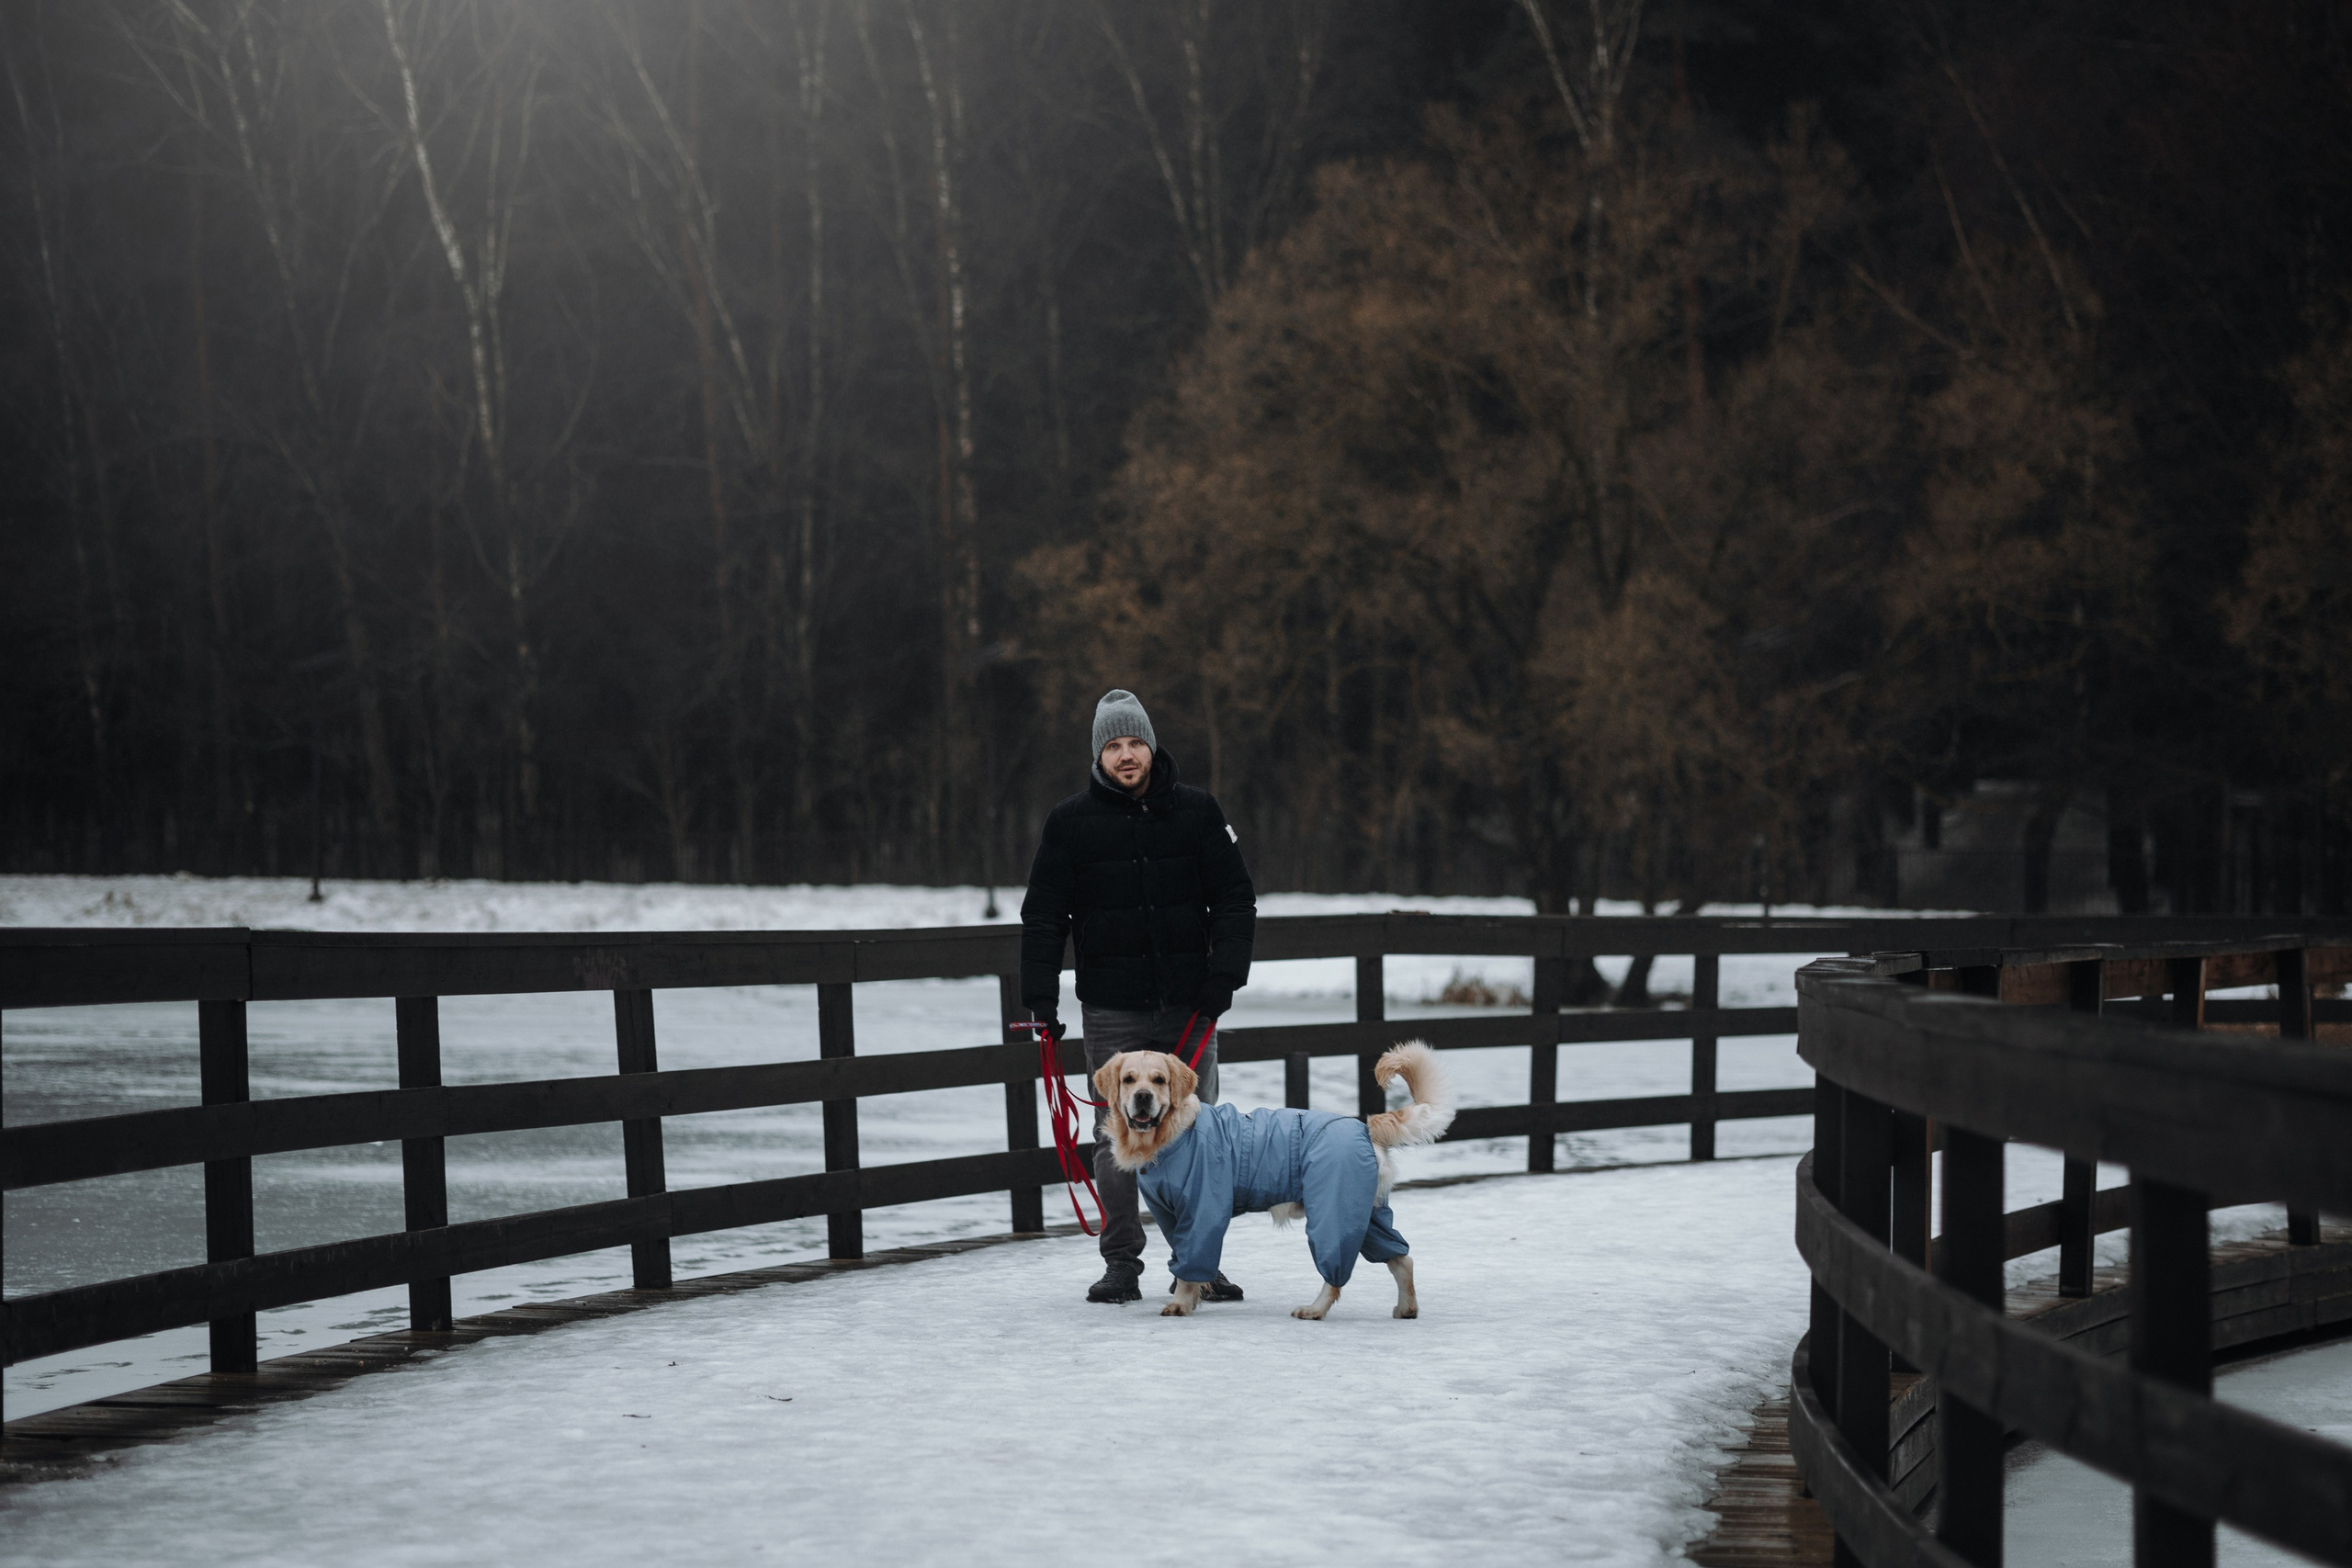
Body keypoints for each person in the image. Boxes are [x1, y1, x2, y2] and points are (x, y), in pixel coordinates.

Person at [1020, 689, 1257, 1303]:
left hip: (1189, 1002)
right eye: (1113, 744)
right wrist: (1041, 1001)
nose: (1126, 755)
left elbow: (1236, 899)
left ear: (1151, 745)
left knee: (1196, 1128)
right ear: (1099, 754)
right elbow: (1045, 917)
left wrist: (1223, 976)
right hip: (1111, 1006)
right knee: (1114, 1135)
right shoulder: (1069, 822)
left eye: (1135, 742)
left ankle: (1198, 1260)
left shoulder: (1199, 813)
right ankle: (1121, 1261)